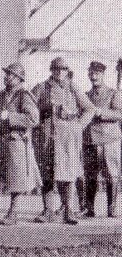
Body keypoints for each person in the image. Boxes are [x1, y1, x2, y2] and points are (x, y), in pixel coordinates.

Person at [0, 62, 40, 225]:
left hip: (14, 141)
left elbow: (33, 119)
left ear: (19, 78)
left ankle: (13, 212)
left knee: (16, 177)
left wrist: (10, 117)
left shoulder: (24, 96)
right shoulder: (2, 95)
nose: (6, 77)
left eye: (10, 74)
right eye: (6, 74)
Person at [32, 57, 95, 225]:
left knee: (67, 173)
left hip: (67, 136)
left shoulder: (73, 87)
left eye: (63, 69)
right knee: (47, 172)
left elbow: (89, 109)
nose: (59, 72)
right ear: (51, 70)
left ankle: (67, 210)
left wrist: (79, 125)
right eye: (56, 69)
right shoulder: (42, 87)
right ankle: (47, 210)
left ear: (67, 71)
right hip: (46, 135)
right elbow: (31, 110)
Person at [82, 60, 122, 218]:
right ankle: (89, 208)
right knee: (90, 174)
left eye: (97, 73)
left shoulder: (114, 93)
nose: (93, 76)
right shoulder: (85, 96)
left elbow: (120, 114)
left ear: (103, 75)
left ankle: (111, 209)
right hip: (90, 140)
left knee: (111, 175)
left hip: (109, 139)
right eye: (91, 73)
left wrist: (101, 112)